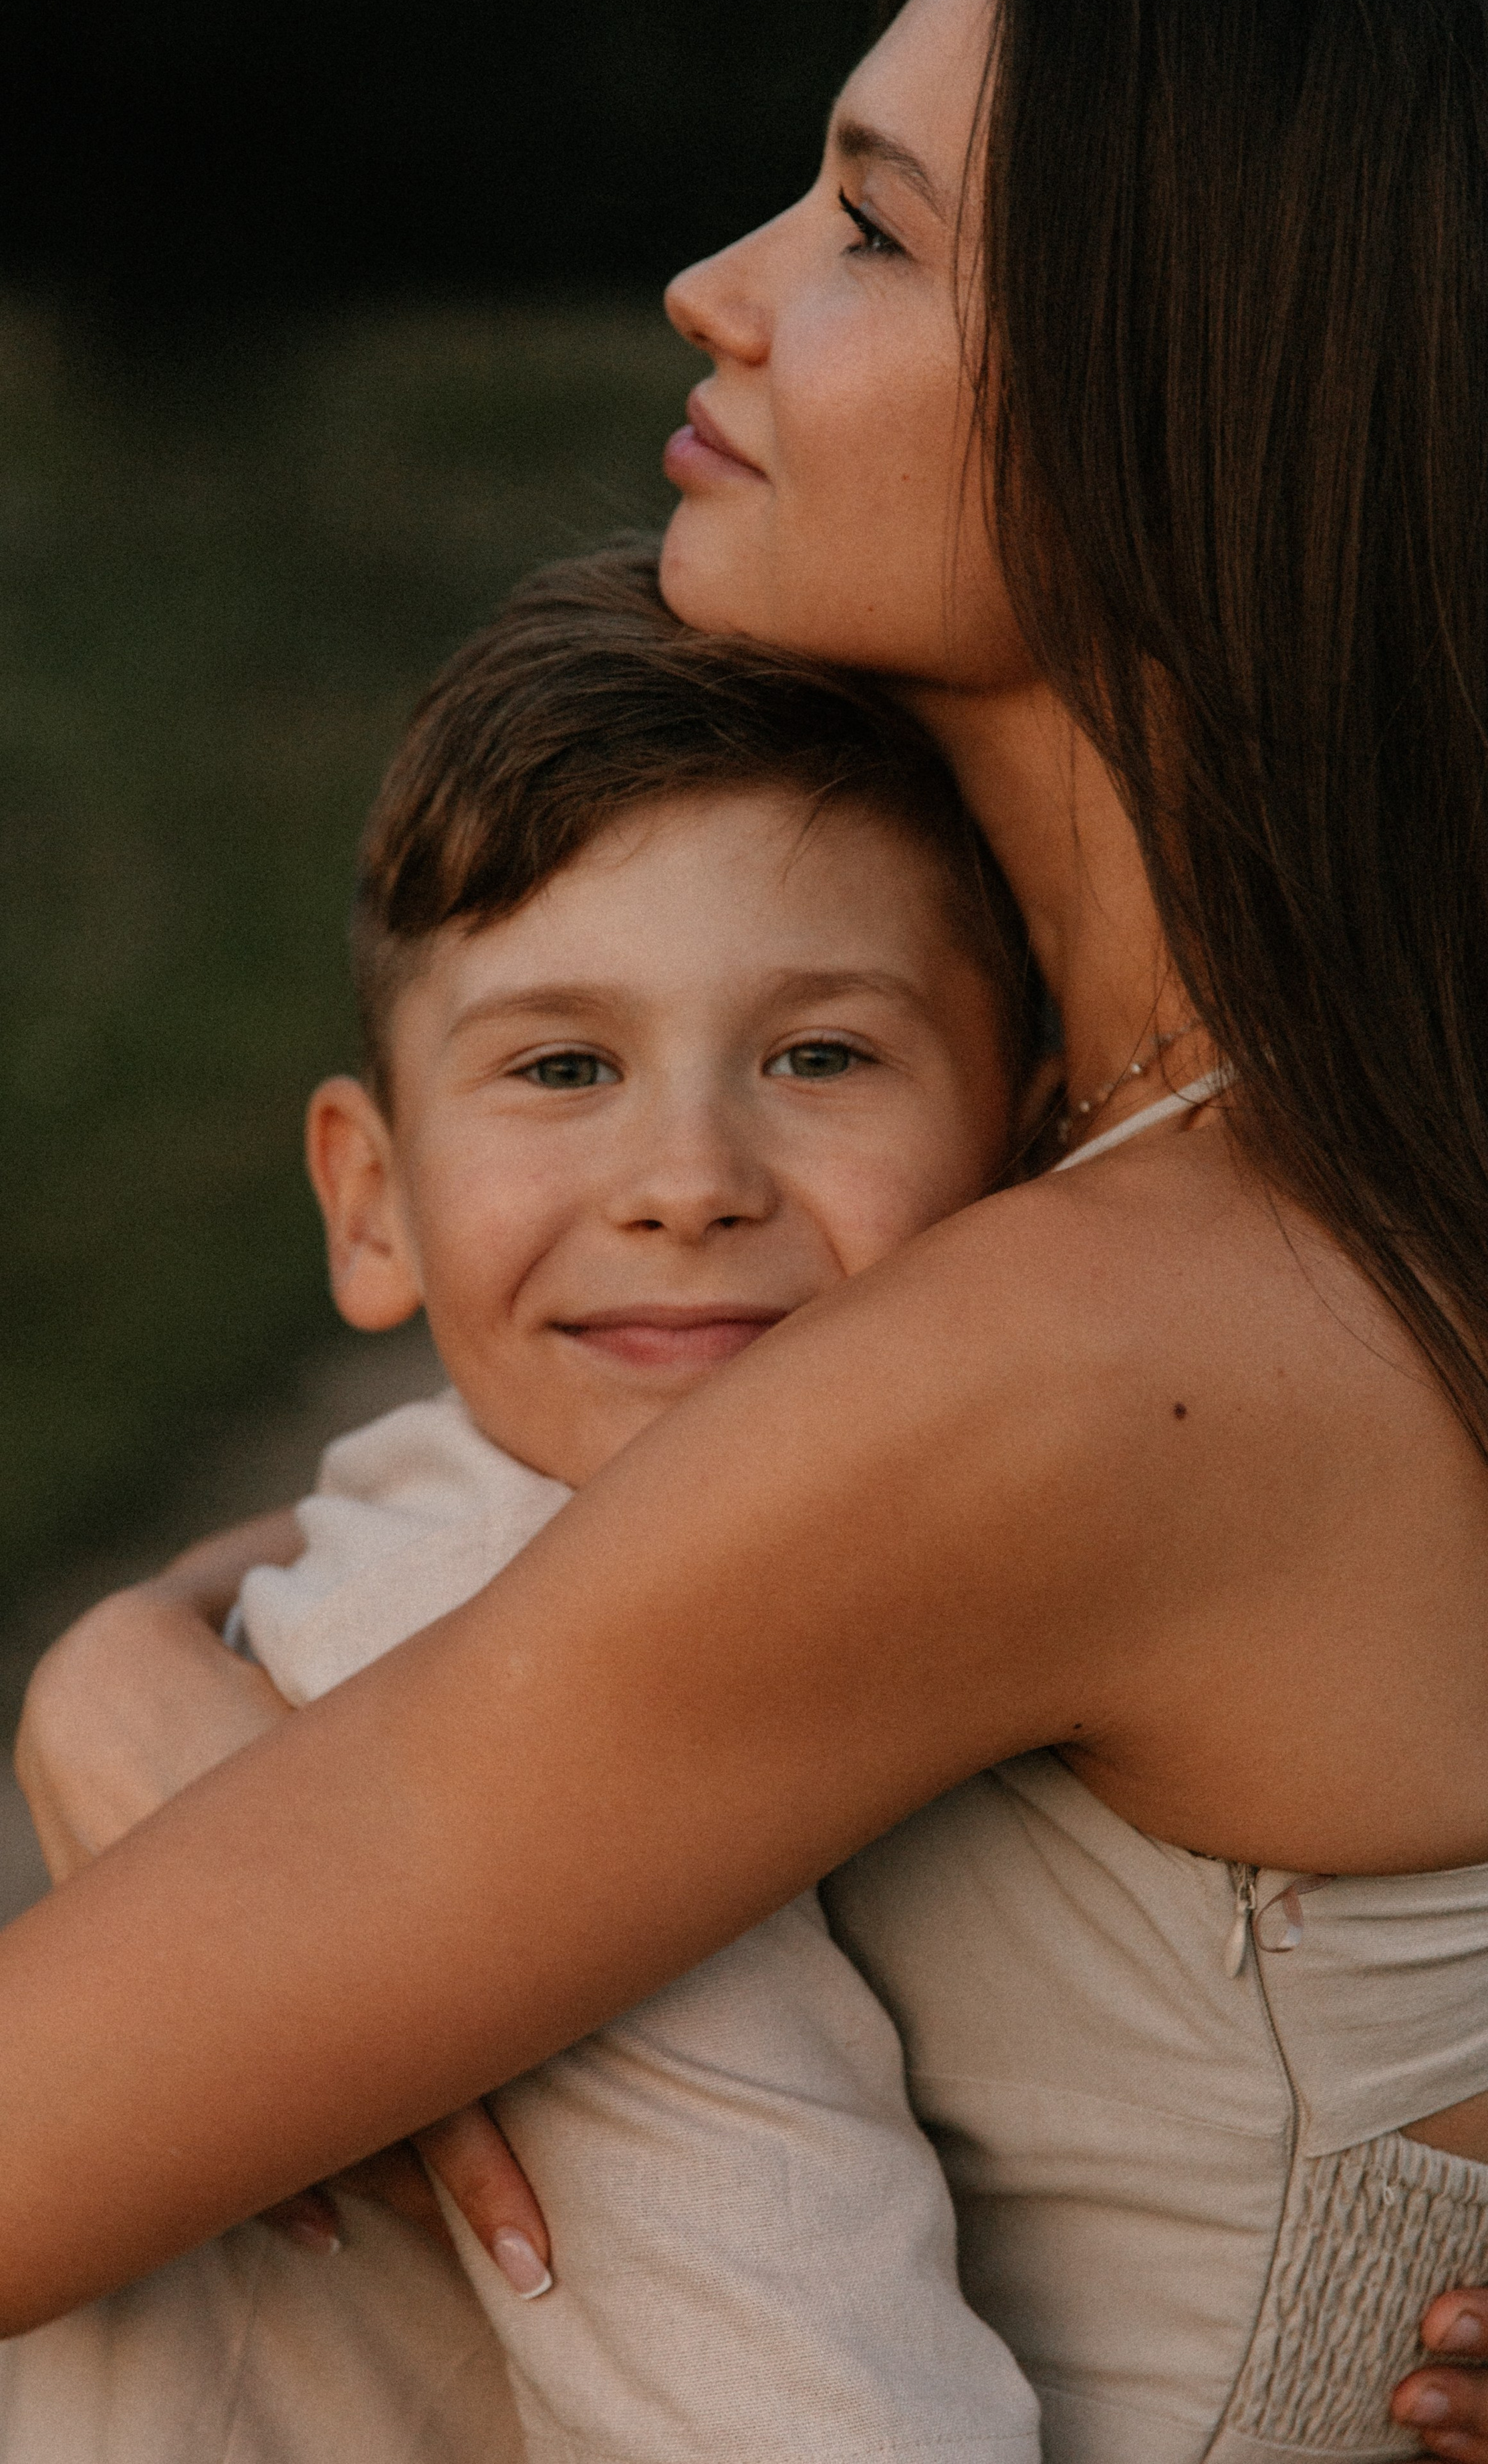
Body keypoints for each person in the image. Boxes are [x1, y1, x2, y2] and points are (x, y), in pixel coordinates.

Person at [10, 0, 1488, 2458]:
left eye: (870, 227)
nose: (716, 285)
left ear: (1209, 407)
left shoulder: (1096, 1350)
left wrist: (142, 1712)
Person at [0, 550, 1047, 2463]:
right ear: (370, 1198)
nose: (688, 1180)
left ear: (1026, 1140)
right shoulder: (556, 1689)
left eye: (819, 1055)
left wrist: (125, 1637)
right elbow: (815, 2416)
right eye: (564, 1065)